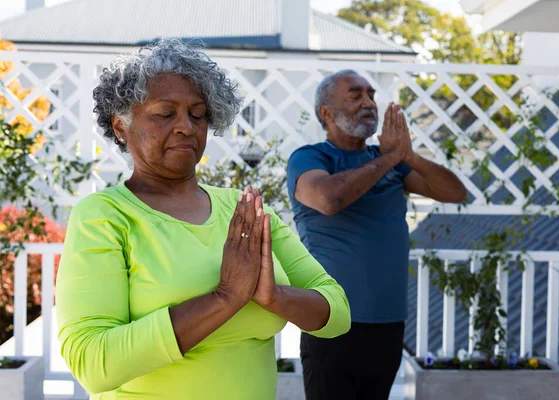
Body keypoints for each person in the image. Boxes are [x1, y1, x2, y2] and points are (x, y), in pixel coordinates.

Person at [55, 39, 350, 400]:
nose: (186, 127)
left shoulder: (246, 212)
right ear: (121, 126)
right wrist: (225, 298)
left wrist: (274, 297)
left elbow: (337, 311)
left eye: (197, 114)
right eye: (165, 113)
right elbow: (93, 363)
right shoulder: (104, 216)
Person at [287, 70, 467, 400]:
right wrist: (390, 159)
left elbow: (454, 192)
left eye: (371, 95)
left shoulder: (392, 165)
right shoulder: (311, 157)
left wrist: (407, 157)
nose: (369, 103)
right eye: (355, 96)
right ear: (326, 113)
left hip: (388, 323)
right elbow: (329, 199)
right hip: (331, 319)